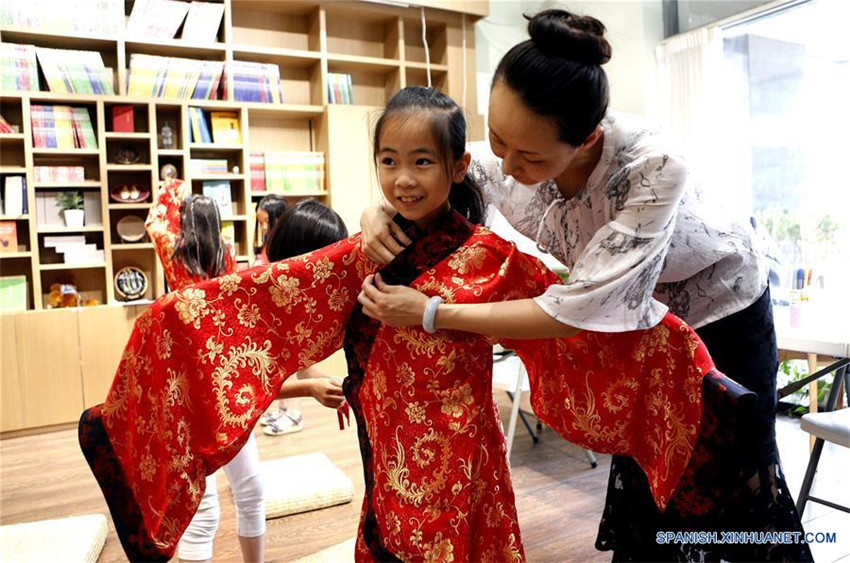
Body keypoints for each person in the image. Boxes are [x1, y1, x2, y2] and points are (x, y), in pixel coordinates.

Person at [79, 86, 732, 562]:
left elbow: (575, 320)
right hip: (391, 455)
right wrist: (170, 322)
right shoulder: (367, 248)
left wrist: (689, 371)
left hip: (463, 450)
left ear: (456, 168)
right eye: (388, 160)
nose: (404, 178)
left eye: (423, 162)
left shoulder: (489, 256)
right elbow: (267, 298)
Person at [357, 10, 811, 562]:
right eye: (497, 139)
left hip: (719, 311)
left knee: (728, 475)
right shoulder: (508, 153)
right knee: (642, 460)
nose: (505, 163)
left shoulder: (652, 167)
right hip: (634, 321)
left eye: (528, 156)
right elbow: (437, 174)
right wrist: (374, 210)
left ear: (587, 138)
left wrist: (434, 313)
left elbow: (574, 309)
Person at [143, 181, 344, 562]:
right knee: (205, 510)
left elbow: (154, 222)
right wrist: (311, 387)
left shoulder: (174, 249)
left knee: (247, 493)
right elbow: (228, 383)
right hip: (192, 389)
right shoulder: (230, 269)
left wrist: (171, 185)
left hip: (215, 391)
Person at [261, 200, 350, 436]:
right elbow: (245, 385)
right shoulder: (261, 301)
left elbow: (303, 368)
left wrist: (336, 387)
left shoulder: (295, 299)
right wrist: (310, 388)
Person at [252, 194, 288, 267]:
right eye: (261, 223)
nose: (264, 227)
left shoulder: (287, 245)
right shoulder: (267, 242)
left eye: (268, 221)